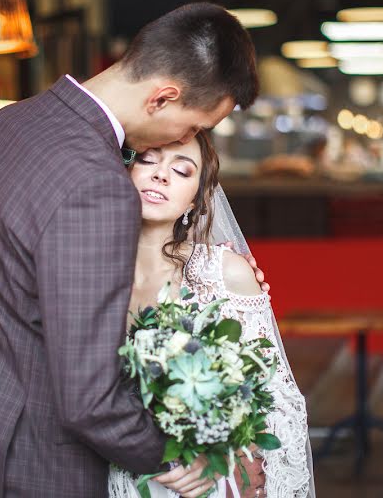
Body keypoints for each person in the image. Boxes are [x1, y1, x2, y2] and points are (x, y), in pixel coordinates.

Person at [0, 2, 260, 497]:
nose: (187, 140)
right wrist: (181, 459)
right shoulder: (98, 187)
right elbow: (89, 400)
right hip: (30, 471)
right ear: (163, 97)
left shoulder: (8, 123)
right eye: (192, 127)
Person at [108, 134, 314, 498]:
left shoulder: (223, 272)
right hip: (113, 478)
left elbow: (274, 400)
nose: (161, 176)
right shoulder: (86, 276)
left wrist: (224, 457)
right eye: (148, 160)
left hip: (205, 482)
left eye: (182, 170)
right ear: (124, 168)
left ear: (196, 198)